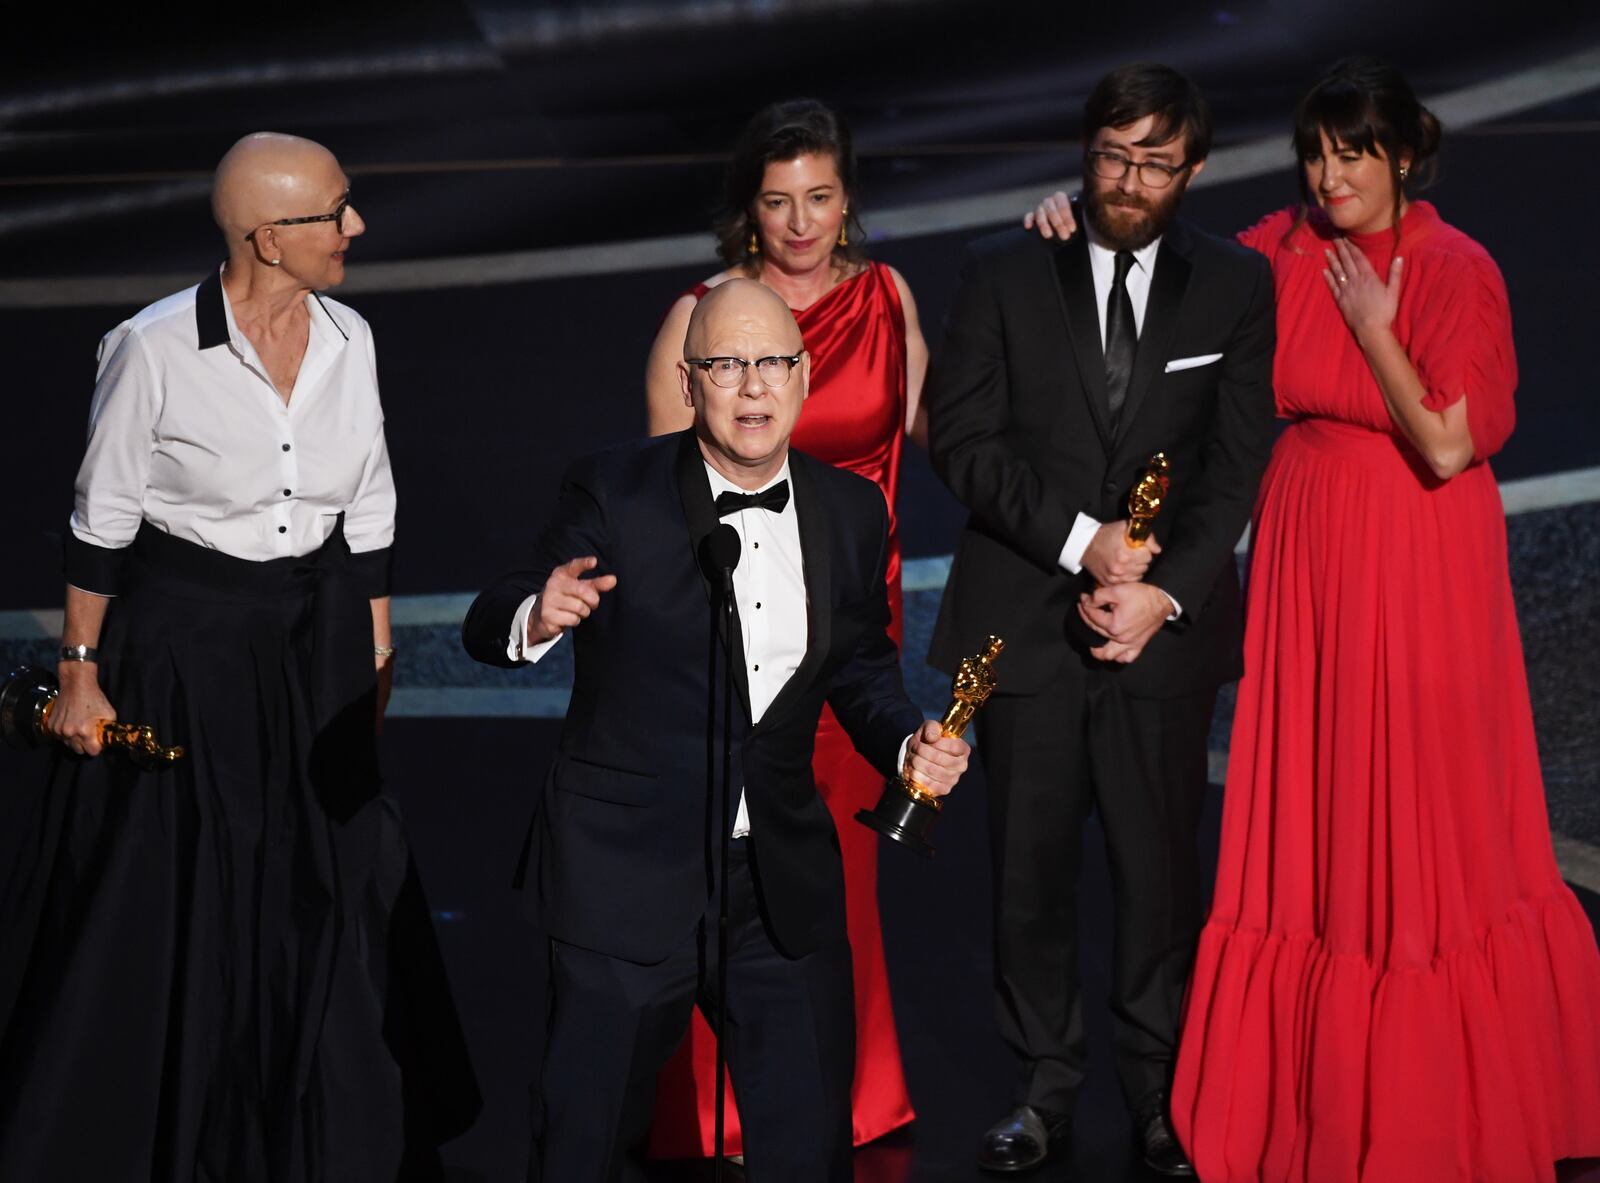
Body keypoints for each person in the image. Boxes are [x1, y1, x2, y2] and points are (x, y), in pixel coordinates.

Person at [1026, 55, 1600, 1182]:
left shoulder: (1456, 269)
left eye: (1352, 154)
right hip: (1309, 548)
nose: (1328, 175)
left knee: (1426, 808)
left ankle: (1448, 1107)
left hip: (1422, 556)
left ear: (1402, 157)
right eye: (1315, 153)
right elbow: (1158, 271)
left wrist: (1374, 326)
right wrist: (1072, 223)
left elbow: (1445, 441)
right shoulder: (1277, 251)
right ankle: (1301, 1112)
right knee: (1319, 806)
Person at [0, 133, 477, 1180]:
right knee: (195, 883)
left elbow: (371, 499)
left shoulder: (352, 337)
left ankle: (320, 1125)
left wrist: (380, 642)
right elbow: (102, 519)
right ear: (268, 237)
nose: (356, 229)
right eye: (335, 213)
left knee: (332, 876)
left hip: (316, 642)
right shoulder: (154, 348)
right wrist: (80, 671)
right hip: (190, 647)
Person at [463, 279, 969, 1182]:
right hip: (625, 873)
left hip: (775, 883)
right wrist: (537, 615)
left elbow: (857, 662)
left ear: (805, 378)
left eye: (772, 363)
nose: (752, 388)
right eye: (727, 366)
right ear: (690, 383)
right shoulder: (615, 488)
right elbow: (496, 606)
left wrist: (904, 745)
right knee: (580, 1142)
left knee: (808, 1146)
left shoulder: (851, 512)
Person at [928, 63, 1277, 1176]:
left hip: (1158, 639)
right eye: (1111, 157)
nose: (1128, 182)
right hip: (1023, 630)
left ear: (1195, 168)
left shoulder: (1234, 284)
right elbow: (963, 443)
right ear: (1084, 153)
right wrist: (1085, 542)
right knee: (1026, 880)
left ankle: (1163, 1099)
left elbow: (1233, 463)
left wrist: (1161, 587)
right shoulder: (999, 271)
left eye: (1154, 162)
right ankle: (1042, 1092)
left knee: (1157, 877)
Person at [643, 96, 929, 1157]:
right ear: (747, 210)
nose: (800, 222)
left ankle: (844, 1092)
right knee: (736, 861)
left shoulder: (889, 296)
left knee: (841, 873)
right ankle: (724, 1104)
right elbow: (664, 504)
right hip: (746, 631)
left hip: (856, 626)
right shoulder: (701, 317)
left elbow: (955, 429)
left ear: (847, 198)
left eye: (819, 197)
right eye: (777, 202)